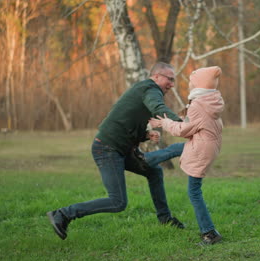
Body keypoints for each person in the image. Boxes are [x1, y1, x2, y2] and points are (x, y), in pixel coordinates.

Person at [47, 62, 185, 240]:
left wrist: (145, 134)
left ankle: (165, 219)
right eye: (169, 79)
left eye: (173, 80)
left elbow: (125, 121)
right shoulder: (151, 89)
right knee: (117, 202)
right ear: (156, 76)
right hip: (107, 149)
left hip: (121, 149)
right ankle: (63, 214)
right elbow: (159, 109)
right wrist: (182, 124)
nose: (172, 84)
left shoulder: (144, 90)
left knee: (155, 171)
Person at [150, 66, 224, 245]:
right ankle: (144, 160)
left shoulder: (198, 104)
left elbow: (184, 130)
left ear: (198, 85)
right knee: (176, 148)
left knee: (194, 192)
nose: (189, 85)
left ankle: (209, 233)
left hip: (201, 148)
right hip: (206, 145)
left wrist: (164, 123)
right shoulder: (210, 100)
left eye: (191, 82)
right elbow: (195, 124)